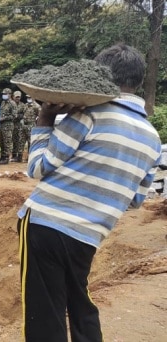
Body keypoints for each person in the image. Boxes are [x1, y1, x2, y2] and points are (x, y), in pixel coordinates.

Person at [17, 44, 161, 342]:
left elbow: (38, 168)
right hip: (89, 235)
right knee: (80, 304)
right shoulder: (153, 138)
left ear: (101, 75)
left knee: (45, 313)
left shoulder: (89, 115)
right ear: (136, 81)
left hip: (46, 224)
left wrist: (44, 120)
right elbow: (136, 200)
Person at [0, 88, 17, 165]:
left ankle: (6, 157)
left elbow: (14, 115)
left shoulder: (12, 103)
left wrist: (4, 118)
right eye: (3, 94)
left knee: (7, 141)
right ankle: (2, 156)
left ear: (9, 94)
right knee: (1, 141)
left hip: (8, 125)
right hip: (1, 124)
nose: (4, 95)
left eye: (5, 94)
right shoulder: (3, 102)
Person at [11, 91, 27, 162]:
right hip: (10, 123)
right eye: (16, 96)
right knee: (9, 140)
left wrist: (19, 116)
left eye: (19, 97)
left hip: (18, 124)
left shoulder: (22, 105)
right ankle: (10, 155)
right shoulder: (10, 103)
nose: (18, 98)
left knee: (17, 140)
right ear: (13, 96)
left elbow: (25, 114)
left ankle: (16, 155)